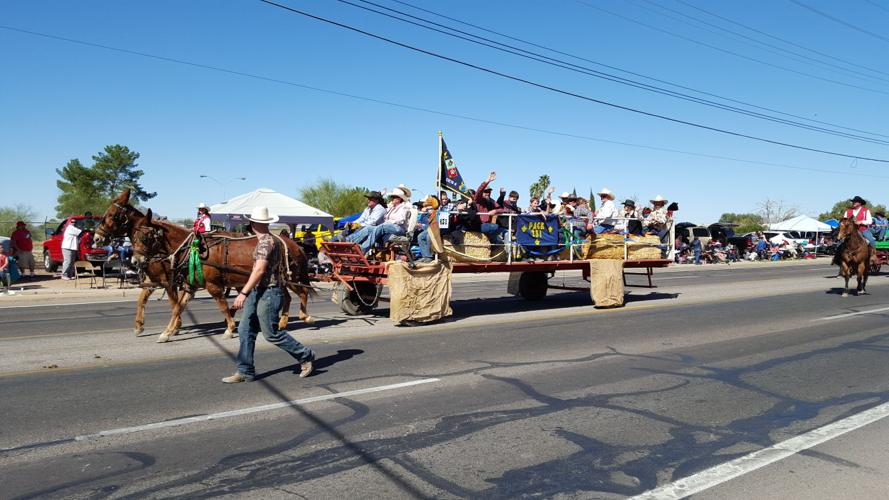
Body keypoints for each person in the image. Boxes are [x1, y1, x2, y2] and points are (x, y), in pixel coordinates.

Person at [222, 206, 315, 383]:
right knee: (245, 329)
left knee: (271, 333)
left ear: (253, 224)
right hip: (259, 291)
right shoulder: (270, 240)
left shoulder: (266, 242)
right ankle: (245, 371)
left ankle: (306, 355)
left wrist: (243, 293)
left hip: (269, 292)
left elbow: (259, 270)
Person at [350, 186, 412, 254]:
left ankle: (363, 249)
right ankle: (349, 242)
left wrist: (387, 223)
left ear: (399, 199)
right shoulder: (391, 207)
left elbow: (400, 220)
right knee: (368, 228)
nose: (391, 199)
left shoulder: (404, 207)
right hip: (389, 227)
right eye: (391, 197)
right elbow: (384, 206)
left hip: (399, 228)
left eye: (393, 197)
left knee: (381, 227)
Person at [474, 172, 506, 244]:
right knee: (495, 227)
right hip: (479, 225)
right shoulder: (478, 199)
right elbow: (479, 191)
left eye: (489, 191)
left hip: (488, 225)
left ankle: (494, 244)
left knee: (504, 231)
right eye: (485, 191)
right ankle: (493, 241)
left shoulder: (491, 201)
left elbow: (502, 209)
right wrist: (488, 180)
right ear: (482, 193)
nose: (488, 193)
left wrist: (495, 211)